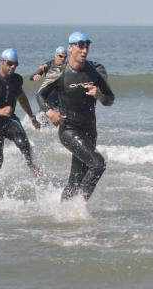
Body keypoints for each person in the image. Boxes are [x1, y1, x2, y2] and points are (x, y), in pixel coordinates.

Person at [37, 31, 114, 201]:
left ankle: (63, 211)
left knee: (75, 180)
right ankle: (79, 206)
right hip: (69, 130)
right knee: (98, 164)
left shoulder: (94, 72)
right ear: (70, 48)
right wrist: (50, 113)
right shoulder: (58, 71)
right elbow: (40, 95)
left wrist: (99, 95)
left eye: (86, 46)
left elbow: (110, 99)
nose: (84, 50)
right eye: (80, 46)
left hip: (90, 131)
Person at [0, 49, 41, 185]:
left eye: (16, 64)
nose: (13, 67)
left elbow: (21, 98)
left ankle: (32, 168)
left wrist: (32, 117)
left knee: (24, 144)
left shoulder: (17, 79)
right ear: (1, 62)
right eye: (10, 63)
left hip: (10, 120)